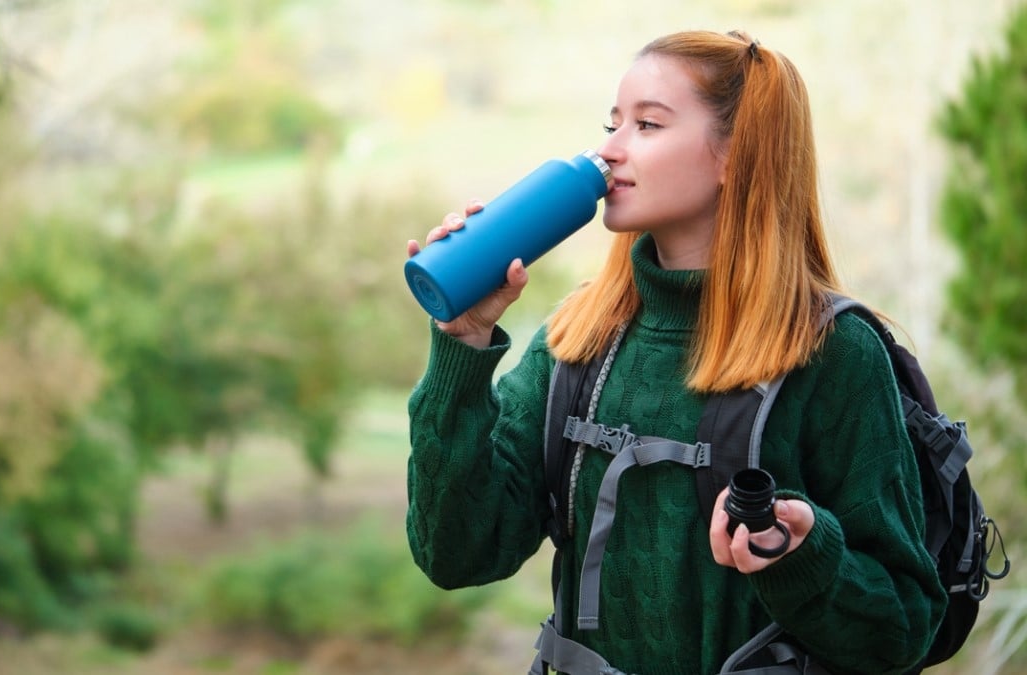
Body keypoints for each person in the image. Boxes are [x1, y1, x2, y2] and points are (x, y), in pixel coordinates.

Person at [403, 29, 947, 675]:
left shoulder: (832, 352)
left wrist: (803, 554)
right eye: (612, 123)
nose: (608, 149)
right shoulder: (577, 338)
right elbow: (456, 552)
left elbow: (902, 628)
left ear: (734, 154)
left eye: (647, 125)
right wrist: (460, 344)